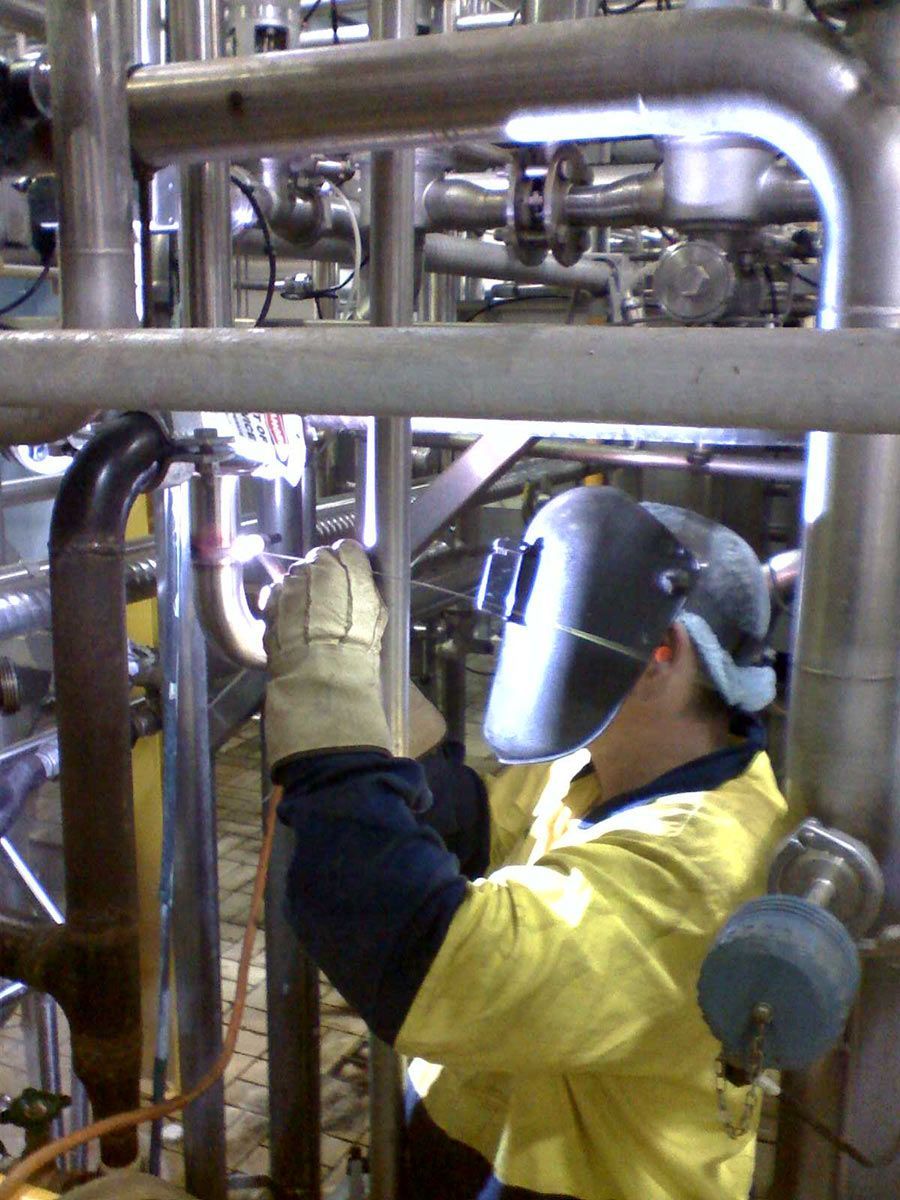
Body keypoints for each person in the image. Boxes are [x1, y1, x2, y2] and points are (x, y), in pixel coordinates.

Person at [263, 485, 796, 1200]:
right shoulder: (602, 758)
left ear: (654, 654)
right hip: (471, 1153)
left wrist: (326, 683)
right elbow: (479, 830)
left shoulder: (702, 866)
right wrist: (373, 689)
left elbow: (421, 950)